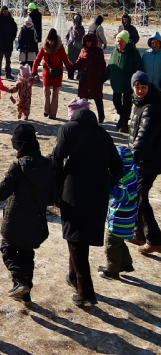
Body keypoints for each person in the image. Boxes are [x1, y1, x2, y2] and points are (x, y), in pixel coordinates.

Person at [0, 124, 55, 305]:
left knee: (7, 249)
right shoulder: (47, 165)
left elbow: (0, 193)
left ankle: (20, 281)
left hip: (15, 220)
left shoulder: (19, 166)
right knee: (27, 254)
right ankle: (25, 293)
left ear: (19, 145)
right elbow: (52, 197)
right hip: (37, 219)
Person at [50, 102, 122, 307]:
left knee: (75, 239)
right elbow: (118, 166)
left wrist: (55, 188)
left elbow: (57, 160)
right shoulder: (103, 134)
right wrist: (108, 182)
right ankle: (73, 277)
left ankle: (86, 291)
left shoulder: (67, 129)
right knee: (78, 238)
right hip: (98, 192)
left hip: (73, 190)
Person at [128, 71, 161, 255]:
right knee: (136, 194)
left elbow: (143, 135)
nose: (140, 90)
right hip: (142, 158)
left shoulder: (151, 106)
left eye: (143, 87)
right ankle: (138, 233)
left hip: (150, 159)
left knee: (141, 196)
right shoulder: (138, 102)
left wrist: (132, 156)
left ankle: (154, 239)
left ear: (149, 86)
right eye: (137, 87)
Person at [99, 146, 138, 279]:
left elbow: (125, 197)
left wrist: (112, 190)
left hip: (118, 221)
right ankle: (126, 264)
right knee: (119, 242)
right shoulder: (132, 174)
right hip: (127, 220)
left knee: (111, 245)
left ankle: (112, 270)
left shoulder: (122, 179)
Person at [108, 30, 144, 133]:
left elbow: (139, 67)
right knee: (116, 101)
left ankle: (124, 123)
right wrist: (103, 76)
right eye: (117, 41)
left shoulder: (133, 52)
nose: (119, 43)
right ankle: (122, 117)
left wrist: (138, 81)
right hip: (117, 82)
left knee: (127, 104)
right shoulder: (114, 51)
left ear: (126, 42)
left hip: (129, 83)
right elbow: (110, 65)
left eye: (121, 41)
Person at [32, 28, 72, 120]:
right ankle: (46, 110)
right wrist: (34, 71)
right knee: (46, 91)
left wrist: (70, 71)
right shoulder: (44, 47)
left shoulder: (60, 47)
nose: (50, 42)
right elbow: (37, 59)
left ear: (55, 40)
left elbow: (65, 60)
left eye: (52, 41)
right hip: (47, 72)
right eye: (49, 40)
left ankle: (53, 113)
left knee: (55, 94)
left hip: (57, 72)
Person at [69, 33, 107, 123]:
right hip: (84, 80)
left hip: (95, 80)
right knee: (82, 100)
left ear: (94, 42)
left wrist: (102, 77)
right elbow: (79, 62)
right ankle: (82, 116)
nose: (87, 43)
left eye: (89, 41)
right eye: (86, 41)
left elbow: (102, 65)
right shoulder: (83, 50)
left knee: (98, 99)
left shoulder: (99, 51)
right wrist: (72, 68)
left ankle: (101, 117)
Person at [0, 6, 19, 79]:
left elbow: (15, 29)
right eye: (4, 11)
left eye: (7, 11)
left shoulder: (11, 20)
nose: (6, 13)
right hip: (0, 43)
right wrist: (0, 38)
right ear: (2, 12)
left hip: (9, 43)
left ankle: (8, 74)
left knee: (8, 61)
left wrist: (12, 37)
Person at [65, 14, 85, 80]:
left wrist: (77, 29)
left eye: (77, 20)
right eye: (74, 20)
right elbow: (67, 36)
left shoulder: (81, 28)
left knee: (79, 62)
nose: (75, 21)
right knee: (71, 62)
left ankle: (79, 76)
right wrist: (67, 42)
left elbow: (83, 35)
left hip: (78, 48)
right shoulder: (71, 28)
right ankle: (70, 76)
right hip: (71, 48)